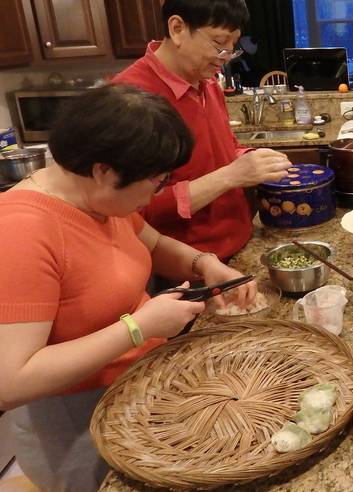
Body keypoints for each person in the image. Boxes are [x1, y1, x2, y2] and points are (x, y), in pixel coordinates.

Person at [0, 84, 257, 492]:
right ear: (104, 170)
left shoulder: (98, 200)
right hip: (77, 423)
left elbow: (152, 244)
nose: (157, 191)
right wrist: (138, 327)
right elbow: (11, 382)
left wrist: (205, 263)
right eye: (155, 181)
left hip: (139, 389)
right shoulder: (20, 231)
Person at [114, 0, 292, 264]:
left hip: (238, 248)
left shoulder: (208, 83)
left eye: (232, 45)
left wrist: (254, 160)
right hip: (184, 266)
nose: (226, 56)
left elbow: (223, 150)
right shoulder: (129, 100)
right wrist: (231, 176)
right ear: (177, 28)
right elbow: (129, 211)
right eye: (219, 43)